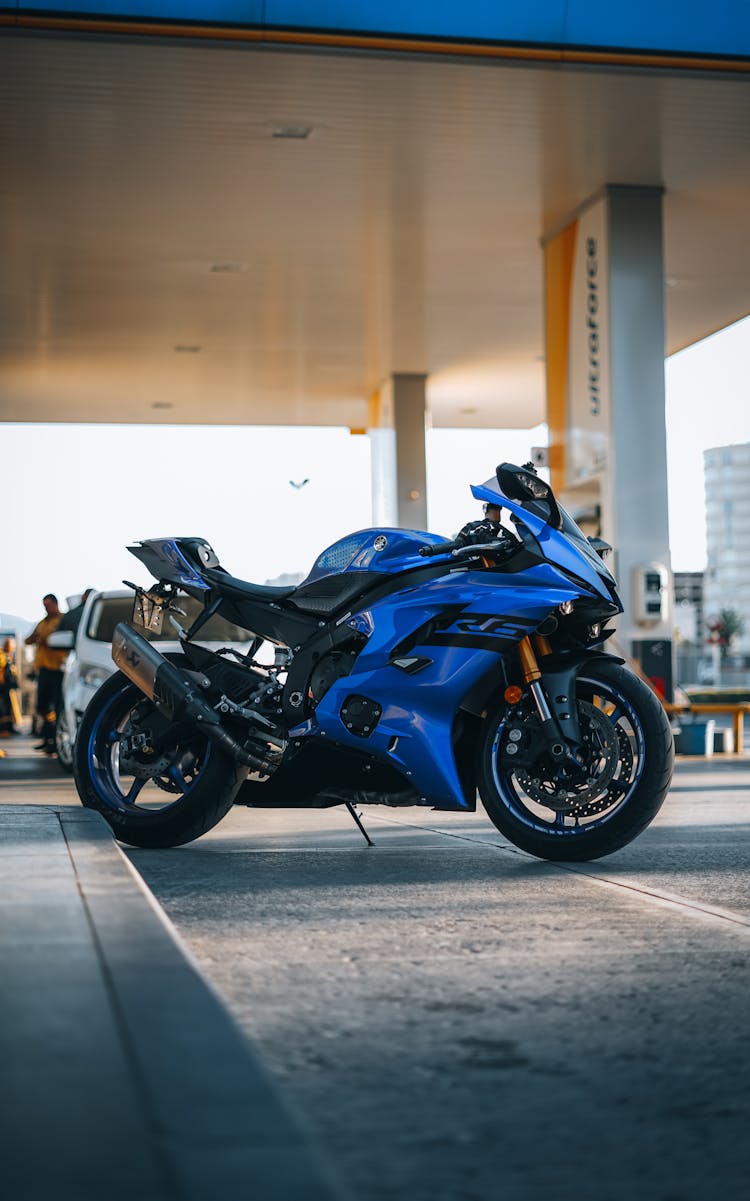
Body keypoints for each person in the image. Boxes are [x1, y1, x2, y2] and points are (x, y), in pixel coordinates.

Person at [25, 593, 67, 754]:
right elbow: (28, 640)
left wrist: (46, 640)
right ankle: (47, 737)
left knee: (57, 705)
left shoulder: (62, 621)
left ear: (55, 604)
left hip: (57, 669)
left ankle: (55, 741)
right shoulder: (42, 623)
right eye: (44, 606)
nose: (46, 609)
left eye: (48, 605)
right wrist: (34, 638)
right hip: (43, 669)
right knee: (42, 706)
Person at [0, 637, 21, 737]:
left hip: (7, 688)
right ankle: (3, 729)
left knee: (10, 708)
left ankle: (9, 727)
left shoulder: (9, 656)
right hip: (2, 687)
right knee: (3, 709)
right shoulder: (2, 656)